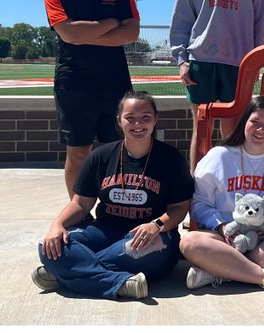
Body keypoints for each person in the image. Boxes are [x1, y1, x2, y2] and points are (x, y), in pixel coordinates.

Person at [32, 91, 194, 300]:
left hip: (151, 236)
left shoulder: (171, 158)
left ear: (155, 120)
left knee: (155, 248)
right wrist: (57, 224)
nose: (138, 124)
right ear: (119, 120)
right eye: (130, 118)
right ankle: (119, 283)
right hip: (105, 231)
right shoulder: (101, 156)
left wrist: (157, 225)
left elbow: (180, 207)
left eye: (146, 117)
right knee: (48, 246)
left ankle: (64, 273)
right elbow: (81, 203)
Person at [170, 0, 264, 171]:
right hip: (201, 59)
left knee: (233, 130)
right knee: (201, 127)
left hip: (238, 62)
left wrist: (257, 61)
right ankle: (198, 189)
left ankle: (229, 185)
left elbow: (261, 21)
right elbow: (181, 18)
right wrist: (181, 59)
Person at [180, 95, 264, 292]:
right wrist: (222, 226)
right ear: (244, 121)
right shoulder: (219, 156)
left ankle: (222, 271)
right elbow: (198, 203)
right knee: (189, 243)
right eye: (255, 122)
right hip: (225, 240)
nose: (261, 129)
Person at [44, 0, 140, 198]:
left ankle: (116, 206)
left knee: (120, 148)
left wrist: (84, 34)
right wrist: (109, 24)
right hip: (74, 82)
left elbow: (131, 34)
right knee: (78, 151)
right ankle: (79, 212)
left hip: (115, 81)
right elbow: (69, 34)